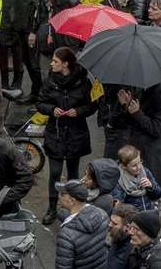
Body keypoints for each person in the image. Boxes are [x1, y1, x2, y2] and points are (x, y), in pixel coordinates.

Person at [36, 47, 97, 224]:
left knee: (72, 172)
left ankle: (72, 206)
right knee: (55, 172)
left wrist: (77, 111)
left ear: (65, 64)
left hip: (75, 133)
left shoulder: (84, 83)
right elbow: (41, 102)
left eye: (55, 61)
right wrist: (51, 109)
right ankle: (52, 206)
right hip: (55, 132)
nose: (52, 64)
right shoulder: (50, 80)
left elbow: (91, 105)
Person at [53, 179, 110, 269]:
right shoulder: (103, 214)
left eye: (63, 195)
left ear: (72, 201)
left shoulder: (66, 235)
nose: (59, 197)